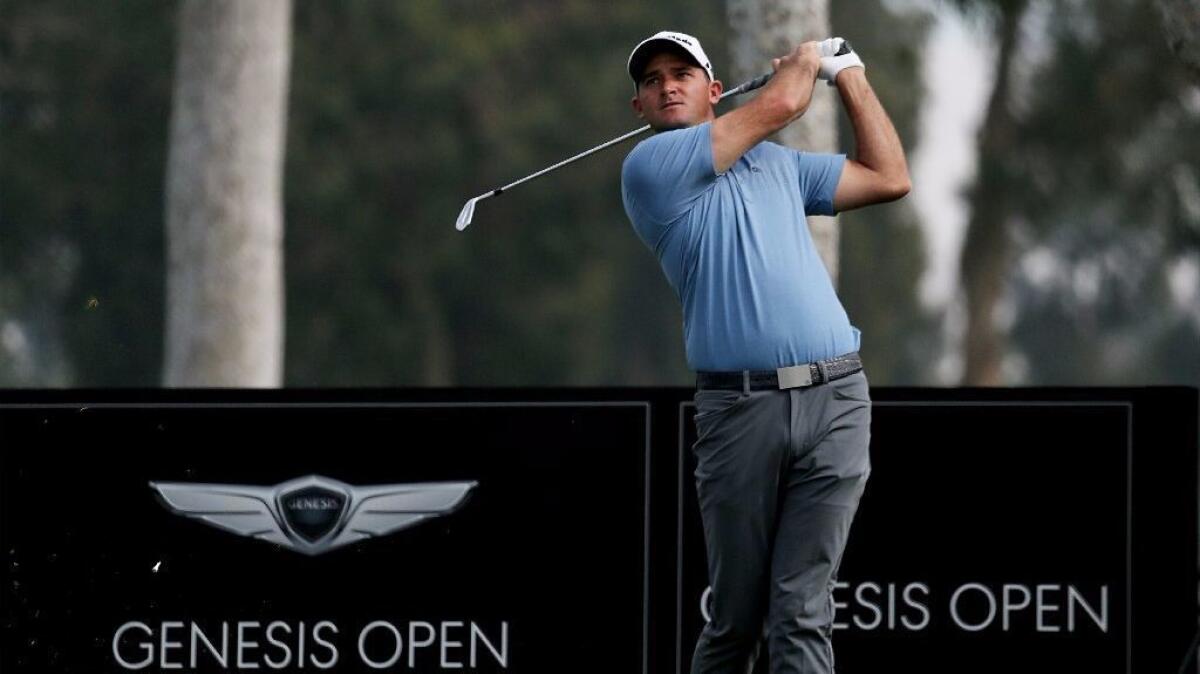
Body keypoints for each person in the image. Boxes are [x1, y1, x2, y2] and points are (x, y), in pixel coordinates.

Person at [620, 30, 910, 674]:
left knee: (802, 612)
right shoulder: (650, 168)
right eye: (651, 80)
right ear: (639, 107)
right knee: (736, 620)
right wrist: (808, 62)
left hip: (837, 398)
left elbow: (889, 177)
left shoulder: (778, 166)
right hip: (739, 408)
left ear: (714, 90)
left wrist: (851, 74)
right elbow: (781, 106)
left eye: (682, 73)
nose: (667, 84)